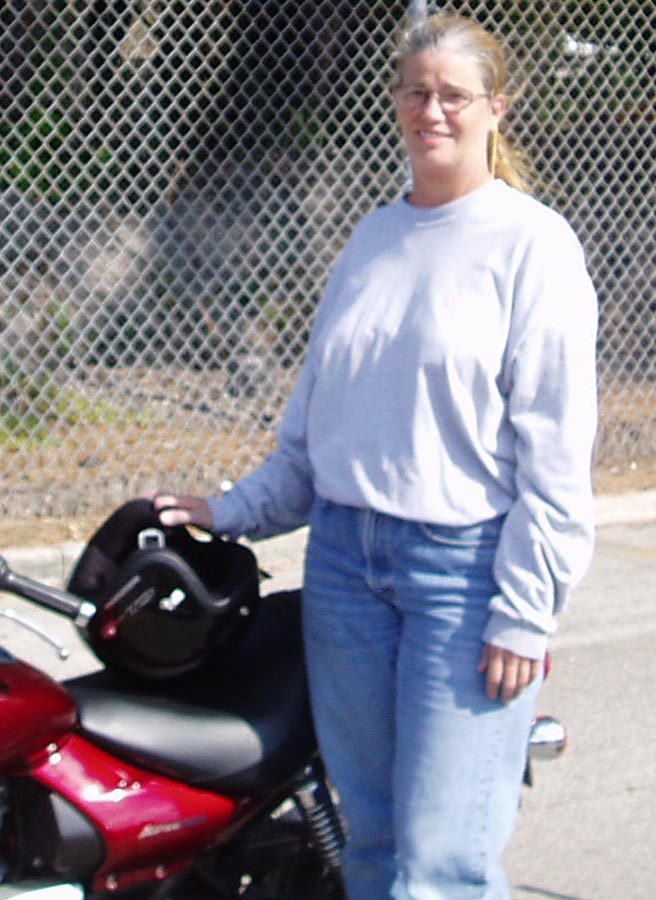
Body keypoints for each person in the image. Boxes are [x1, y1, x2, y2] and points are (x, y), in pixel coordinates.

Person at [151, 12, 598, 900]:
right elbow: (318, 430)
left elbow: (555, 453)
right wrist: (229, 510)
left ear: (497, 108)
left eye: (454, 96)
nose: (432, 112)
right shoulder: (373, 240)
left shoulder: (532, 245)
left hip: (463, 576)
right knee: (369, 843)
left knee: (440, 864)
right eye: (416, 93)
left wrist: (524, 611)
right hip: (347, 567)